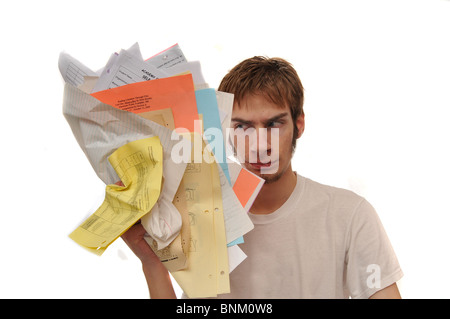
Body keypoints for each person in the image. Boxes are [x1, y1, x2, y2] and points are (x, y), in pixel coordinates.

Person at [121, 56, 403, 299]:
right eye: (242, 126)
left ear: (299, 124)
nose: (259, 144)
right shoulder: (198, 215)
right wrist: (151, 261)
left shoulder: (350, 215)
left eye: (273, 124)